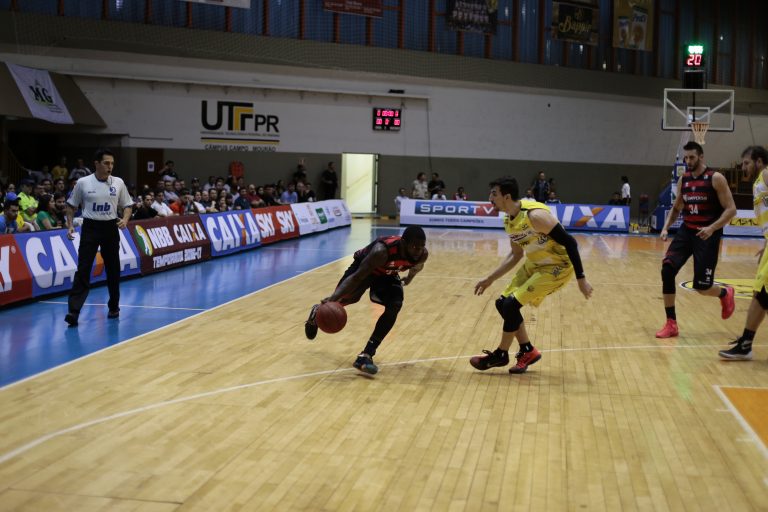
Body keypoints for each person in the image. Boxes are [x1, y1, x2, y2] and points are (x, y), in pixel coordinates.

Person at [469, 176, 593, 374]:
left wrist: (581, 279)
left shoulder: (535, 216)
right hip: (535, 263)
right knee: (502, 303)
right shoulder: (509, 220)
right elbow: (516, 254)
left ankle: (501, 353)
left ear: (507, 196)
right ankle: (527, 350)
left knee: (511, 305)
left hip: (557, 266)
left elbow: (570, 242)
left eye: (494, 194)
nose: (490, 198)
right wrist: (490, 278)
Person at [304, 226, 429, 375]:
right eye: (414, 247)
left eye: (422, 246)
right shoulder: (381, 251)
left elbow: (416, 267)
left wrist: (409, 279)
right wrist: (332, 299)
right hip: (364, 269)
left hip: (386, 274)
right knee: (348, 299)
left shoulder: (421, 255)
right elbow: (357, 277)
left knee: (395, 304)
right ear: (403, 243)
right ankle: (317, 311)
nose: (418, 250)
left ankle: (366, 355)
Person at [656, 141, 737, 338]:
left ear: (701, 156)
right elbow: (677, 208)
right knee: (667, 270)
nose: (688, 161)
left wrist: (712, 228)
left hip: (707, 234)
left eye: (692, 157)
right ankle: (671, 323)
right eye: (686, 158)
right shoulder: (684, 179)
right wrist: (665, 228)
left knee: (702, 287)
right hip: (687, 231)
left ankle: (725, 293)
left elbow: (731, 209)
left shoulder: (715, 178)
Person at [64, 148, 134, 327]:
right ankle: (73, 312)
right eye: (106, 163)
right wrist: (70, 225)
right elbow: (71, 205)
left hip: (110, 227)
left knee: (113, 269)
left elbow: (127, 205)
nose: (110, 166)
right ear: (96, 164)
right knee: (83, 268)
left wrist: (125, 219)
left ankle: (114, 306)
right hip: (90, 227)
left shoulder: (118, 182)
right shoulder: (83, 182)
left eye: (112, 163)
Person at [719, 146, 768, 360]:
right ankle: (746, 343)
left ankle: (746, 344)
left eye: (747, 163)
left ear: (759, 161)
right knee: (760, 294)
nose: (743, 167)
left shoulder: (766, 174)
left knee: (762, 294)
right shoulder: (758, 183)